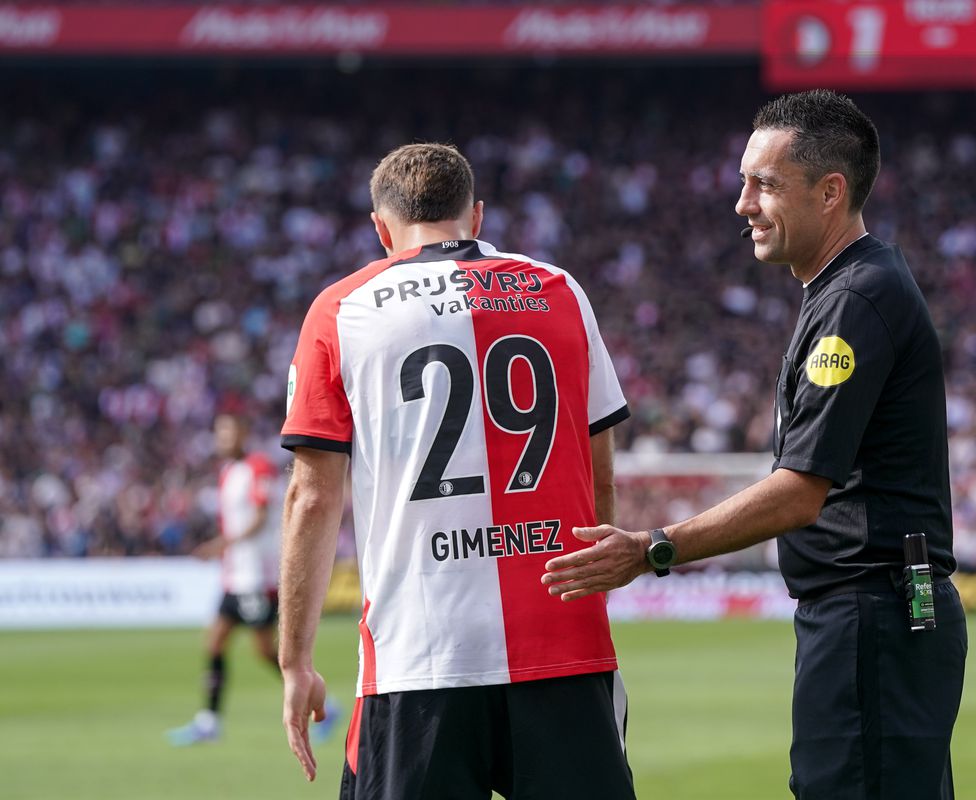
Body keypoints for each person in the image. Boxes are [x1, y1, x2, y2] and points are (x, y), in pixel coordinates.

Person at [541, 90, 968, 799]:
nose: (742, 203)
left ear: (831, 192)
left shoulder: (855, 301)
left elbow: (800, 492)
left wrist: (653, 547)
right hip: (878, 615)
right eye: (745, 181)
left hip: (872, 615)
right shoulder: (847, 289)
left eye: (764, 184)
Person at [277, 142, 635, 799]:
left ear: (381, 229)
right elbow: (598, 475)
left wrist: (295, 660)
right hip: (562, 643)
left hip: (420, 653)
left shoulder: (342, 308)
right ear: (477, 215)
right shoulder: (560, 290)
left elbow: (311, 497)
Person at [168, 413, 343, 745]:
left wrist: (221, 545)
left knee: (267, 651)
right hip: (235, 577)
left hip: (256, 577)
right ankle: (208, 722)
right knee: (215, 641)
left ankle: (325, 703)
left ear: (243, 432)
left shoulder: (258, 467)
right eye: (219, 432)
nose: (223, 439)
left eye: (229, 431)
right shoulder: (228, 473)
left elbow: (262, 518)